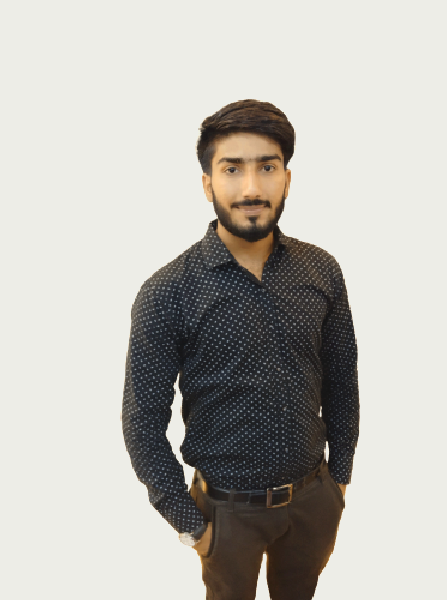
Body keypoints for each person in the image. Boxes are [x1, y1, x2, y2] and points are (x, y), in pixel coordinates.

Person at [121, 99, 359, 600]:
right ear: (207, 183)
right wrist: (191, 526)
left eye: (267, 167)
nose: (251, 188)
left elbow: (342, 381)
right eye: (232, 169)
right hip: (225, 516)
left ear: (287, 180)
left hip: (313, 502)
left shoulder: (322, 270)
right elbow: (142, 423)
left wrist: (338, 480)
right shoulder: (167, 292)